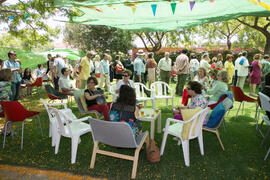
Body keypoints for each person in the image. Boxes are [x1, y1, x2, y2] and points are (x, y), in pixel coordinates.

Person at [0, 69, 13, 135]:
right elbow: (5, 98)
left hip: (2, 107)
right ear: (8, 76)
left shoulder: (2, 84)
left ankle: (5, 131)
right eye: (12, 74)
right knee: (12, 115)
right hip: (3, 108)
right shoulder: (7, 85)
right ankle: (7, 131)